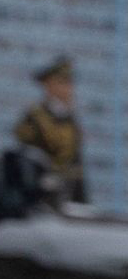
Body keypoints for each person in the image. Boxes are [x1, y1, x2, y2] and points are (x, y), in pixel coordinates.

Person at [14, 56, 85, 201]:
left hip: (68, 195)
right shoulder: (35, 118)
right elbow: (28, 159)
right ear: (48, 85)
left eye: (69, 83)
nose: (68, 89)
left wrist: (81, 199)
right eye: (62, 83)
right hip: (40, 196)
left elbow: (76, 164)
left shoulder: (71, 120)